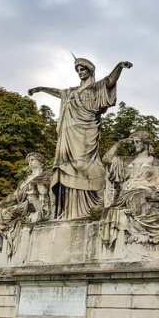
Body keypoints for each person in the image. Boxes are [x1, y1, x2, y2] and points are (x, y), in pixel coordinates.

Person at [28, 57, 132, 219]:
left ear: (90, 70)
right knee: (66, 165)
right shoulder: (71, 91)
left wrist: (119, 66)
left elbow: (110, 81)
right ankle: (68, 210)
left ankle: (90, 205)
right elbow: (60, 93)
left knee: (84, 164)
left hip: (87, 129)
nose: (79, 72)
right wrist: (41, 88)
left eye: (82, 69)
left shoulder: (97, 88)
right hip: (68, 132)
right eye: (77, 70)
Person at [101, 131, 159, 245]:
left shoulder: (158, 163)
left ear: (147, 143)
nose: (135, 144)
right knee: (137, 197)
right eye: (134, 142)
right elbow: (106, 159)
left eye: (138, 141)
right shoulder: (126, 161)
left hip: (150, 193)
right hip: (130, 194)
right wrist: (120, 143)